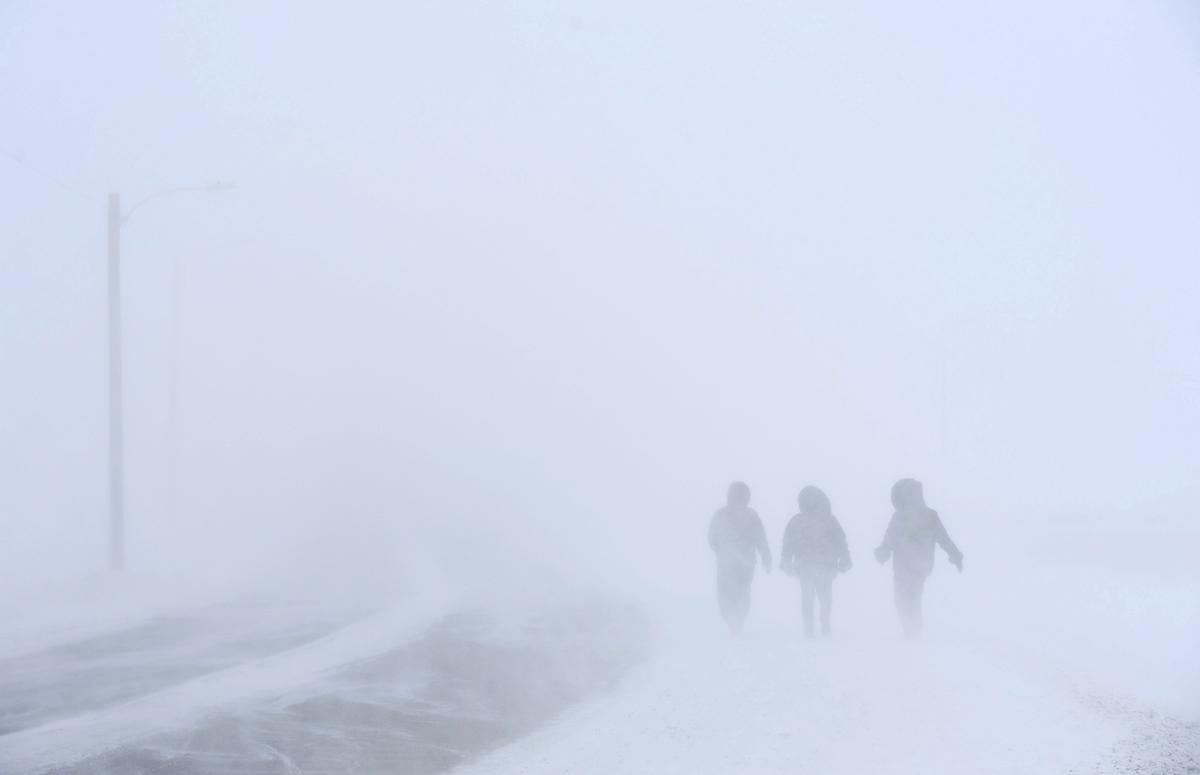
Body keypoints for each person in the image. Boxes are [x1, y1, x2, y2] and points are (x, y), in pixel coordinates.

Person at [874, 478, 963, 637]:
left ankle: (913, 629)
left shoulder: (927, 516)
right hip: (910, 565)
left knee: (908, 595)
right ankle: (912, 627)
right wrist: (883, 550)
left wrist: (955, 555)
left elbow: (943, 538)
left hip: (916, 565)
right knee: (906, 596)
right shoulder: (901, 516)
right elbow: (890, 537)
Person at [779, 486, 852, 637]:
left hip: (819, 565)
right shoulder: (824, 520)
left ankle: (821, 623)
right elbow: (788, 542)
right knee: (814, 597)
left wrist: (845, 558)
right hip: (812, 565)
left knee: (818, 597)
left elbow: (840, 540)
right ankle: (812, 625)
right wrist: (785, 559)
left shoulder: (824, 520)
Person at [708, 481, 772, 634]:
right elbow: (760, 538)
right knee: (739, 591)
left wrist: (719, 550)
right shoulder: (746, 515)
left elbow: (712, 538)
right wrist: (766, 556)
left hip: (733, 561)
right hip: (739, 561)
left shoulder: (724, 514)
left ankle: (734, 619)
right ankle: (736, 619)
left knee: (730, 591)